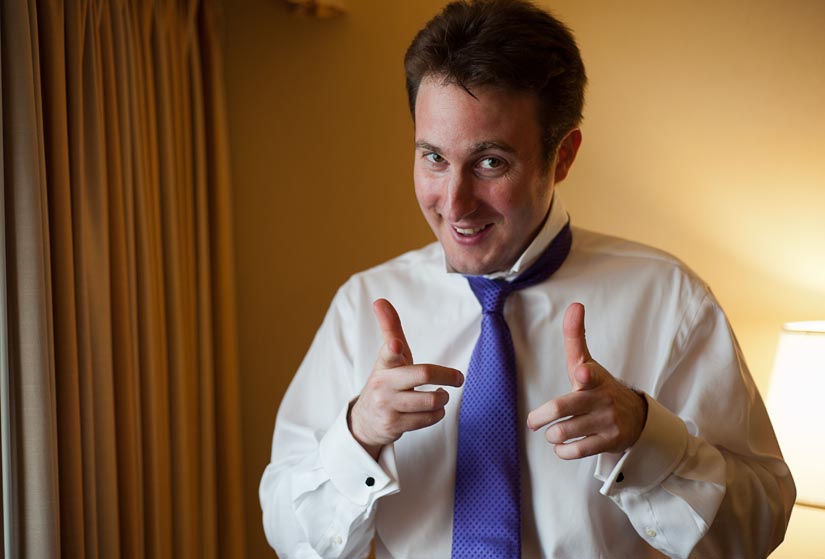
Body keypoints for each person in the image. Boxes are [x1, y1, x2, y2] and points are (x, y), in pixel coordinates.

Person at [259, 1, 795, 557]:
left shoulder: (669, 300)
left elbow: (758, 526)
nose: (455, 203)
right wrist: (361, 433)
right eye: (434, 158)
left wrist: (646, 436)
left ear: (562, 157)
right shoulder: (362, 305)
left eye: (490, 162)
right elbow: (288, 532)